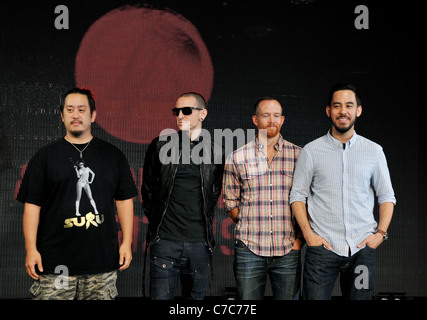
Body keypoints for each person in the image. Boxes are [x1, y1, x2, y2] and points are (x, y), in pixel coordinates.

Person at [16, 87, 137, 300]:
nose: (76, 114)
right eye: (70, 109)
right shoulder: (44, 157)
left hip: (101, 263)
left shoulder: (112, 156)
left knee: (88, 199)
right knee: (81, 199)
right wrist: (31, 249)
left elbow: (124, 199)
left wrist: (126, 241)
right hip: (55, 263)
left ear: (93, 115)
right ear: (62, 115)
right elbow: (32, 205)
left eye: (82, 109)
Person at [290, 83, 396, 300]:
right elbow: (297, 196)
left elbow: (386, 196)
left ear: (358, 110)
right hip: (322, 252)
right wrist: (309, 235)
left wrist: (380, 234)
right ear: (329, 111)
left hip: (361, 252)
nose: (343, 111)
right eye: (337, 106)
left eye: (349, 105)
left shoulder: (374, 151)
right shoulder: (311, 151)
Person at [141, 92, 224, 300]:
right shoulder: (160, 145)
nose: (180, 115)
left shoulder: (216, 151)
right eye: (176, 111)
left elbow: (214, 192)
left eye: (186, 111)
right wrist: (158, 229)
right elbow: (148, 190)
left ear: (202, 114)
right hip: (166, 242)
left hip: (199, 244)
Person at [222, 97, 302, 300]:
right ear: (255, 120)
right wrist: (251, 224)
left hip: (288, 248)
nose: (271, 120)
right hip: (249, 247)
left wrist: (299, 240)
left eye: (276, 115)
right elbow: (230, 202)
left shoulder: (300, 156)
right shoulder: (237, 157)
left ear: (283, 119)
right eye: (266, 115)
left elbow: (309, 203)